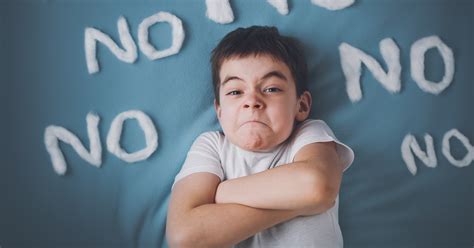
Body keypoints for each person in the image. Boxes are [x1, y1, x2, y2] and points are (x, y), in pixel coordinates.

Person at [166, 26, 354, 248]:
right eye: (236, 92)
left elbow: (317, 186)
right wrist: (300, 204)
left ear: (301, 105)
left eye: (271, 88)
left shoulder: (309, 134)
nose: (252, 100)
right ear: (220, 111)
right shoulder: (212, 146)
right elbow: (185, 236)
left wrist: (223, 192)